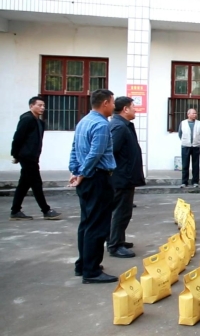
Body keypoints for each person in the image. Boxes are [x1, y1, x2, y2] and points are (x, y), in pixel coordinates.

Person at [69, 89, 118, 284]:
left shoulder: (84, 121)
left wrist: (75, 171)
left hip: (86, 179)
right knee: (97, 226)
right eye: (112, 102)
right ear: (105, 103)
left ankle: (83, 264)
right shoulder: (101, 124)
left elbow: (74, 149)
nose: (114, 106)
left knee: (86, 223)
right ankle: (91, 271)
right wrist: (81, 173)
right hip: (97, 178)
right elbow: (95, 154)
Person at [9, 97, 60, 221]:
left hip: (33, 156)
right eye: (39, 105)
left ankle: (15, 211)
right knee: (36, 183)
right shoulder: (27, 119)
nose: (42, 108)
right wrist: (15, 155)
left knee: (24, 184)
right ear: (31, 106)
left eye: (43, 105)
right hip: (27, 157)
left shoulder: (39, 122)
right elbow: (18, 138)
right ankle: (46, 210)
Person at [108, 97, 145, 259]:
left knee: (123, 211)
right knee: (121, 212)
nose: (135, 109)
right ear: (125, 109)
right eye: (133, 106)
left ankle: (117, 239)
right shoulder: (119, 126)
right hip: (121, 177)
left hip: (126, 176)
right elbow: (110, 152)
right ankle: (115, 245)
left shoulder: (124, 125)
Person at [178, 108, 200, 188]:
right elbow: (180, 134)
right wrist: (185, 141)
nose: (195, 115)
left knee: (196, 165)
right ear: (188, 114)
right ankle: (184, 182)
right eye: (193, 113)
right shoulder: (183, 123)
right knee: (185, 165)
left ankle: (195, 181)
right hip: (185, 146)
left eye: (195, 113)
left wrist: (196, 140)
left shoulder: (199, 123)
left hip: (196, 146)